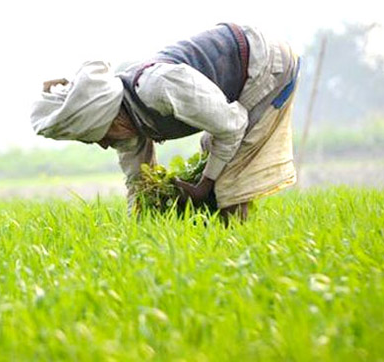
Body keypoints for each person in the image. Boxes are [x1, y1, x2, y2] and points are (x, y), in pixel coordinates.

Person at [30, 23, 300, 221]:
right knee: (214, 159)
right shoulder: (128, 126)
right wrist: (136, 234)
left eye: (100, 138)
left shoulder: (157, 87)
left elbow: (233, 124)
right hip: (243, 73)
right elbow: (138, 183)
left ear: (111, 118)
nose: (104, 146)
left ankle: (237, 253)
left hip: (263, 63)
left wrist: (203, 186)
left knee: (229, 179)